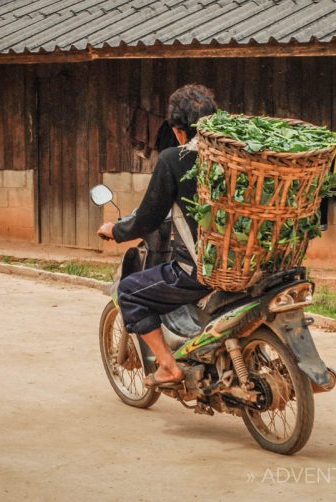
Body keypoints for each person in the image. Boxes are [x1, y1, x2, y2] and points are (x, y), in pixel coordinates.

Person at [97, 84, 216, 387]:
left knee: (129, 291)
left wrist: (117, 230)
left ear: (178, 130)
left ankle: (168, 366)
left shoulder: (174, 159)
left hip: (198, 271)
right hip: (256, 265)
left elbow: (148, 217)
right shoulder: (236, 155)